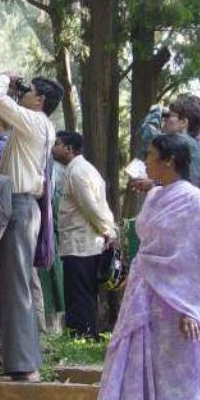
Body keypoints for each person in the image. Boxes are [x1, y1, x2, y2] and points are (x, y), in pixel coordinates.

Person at [83, 133, 200, 400]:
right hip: (144, 299)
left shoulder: (195, 202)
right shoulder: (157, 195)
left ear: (171, 161)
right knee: (130, 374)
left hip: (177, 307)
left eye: (152, 155)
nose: (147, 160)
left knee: (176, 383)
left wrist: (191, 309)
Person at [0, 73, 60, 381]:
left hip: (18, 205)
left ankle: (24, 366)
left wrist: (4, 78)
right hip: (24, 206)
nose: (23, 94)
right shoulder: (43, 125)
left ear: (40, 100)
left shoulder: (34, 119)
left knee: (14, 288)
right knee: (14, 286)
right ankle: (21, 361)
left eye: (28, 91)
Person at [52, 131, 117, 338]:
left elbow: (91, 207)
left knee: (79, 294)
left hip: (81, 244)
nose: (54, 148)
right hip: (83, 242)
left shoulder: (78, 172)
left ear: (69, 149)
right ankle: (86, 334)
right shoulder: (85, 169)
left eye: (58, 144)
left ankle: (83, 336)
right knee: (84, 293)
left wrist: (107, 231)